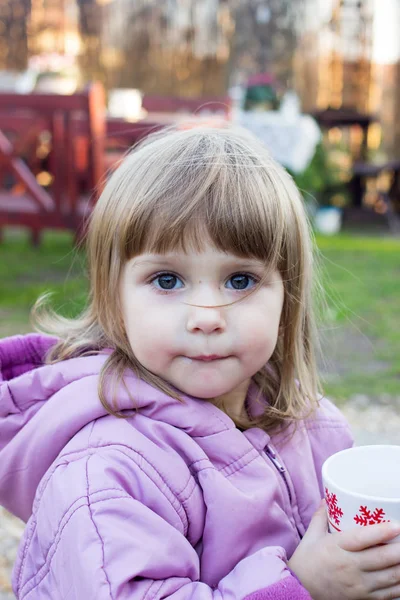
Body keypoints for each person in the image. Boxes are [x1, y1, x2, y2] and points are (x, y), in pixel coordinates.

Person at [1, 125, 399, 600]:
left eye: (239, 280)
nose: (207, 317)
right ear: (115, 299)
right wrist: (303, 587)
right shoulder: (109, 471)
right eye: (168, 280)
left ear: (286, 299)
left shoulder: (310, 426)